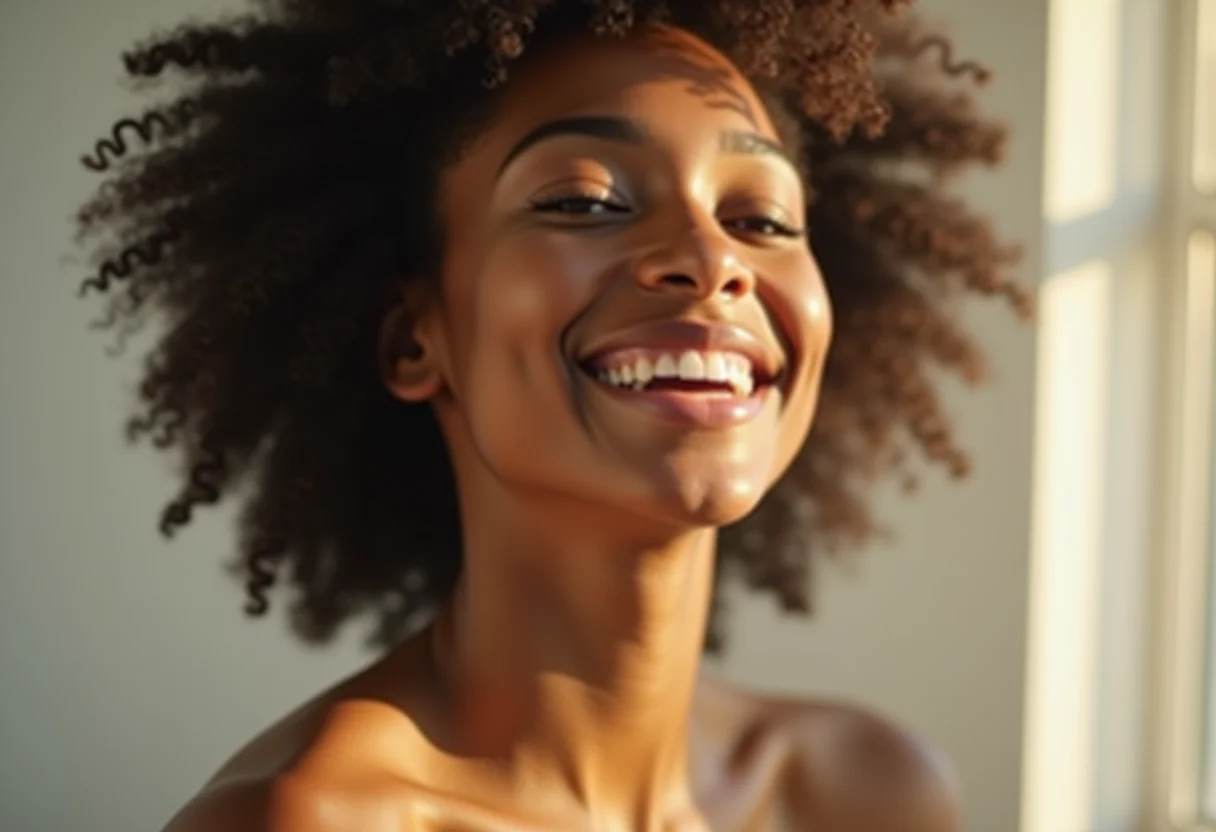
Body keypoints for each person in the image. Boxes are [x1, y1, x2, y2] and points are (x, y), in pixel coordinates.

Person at [74, 0, 1028, 828]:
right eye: (584, 200)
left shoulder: (869, 797)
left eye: (763, 220)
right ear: (417, 337)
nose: (710, 257)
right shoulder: (310, 820)